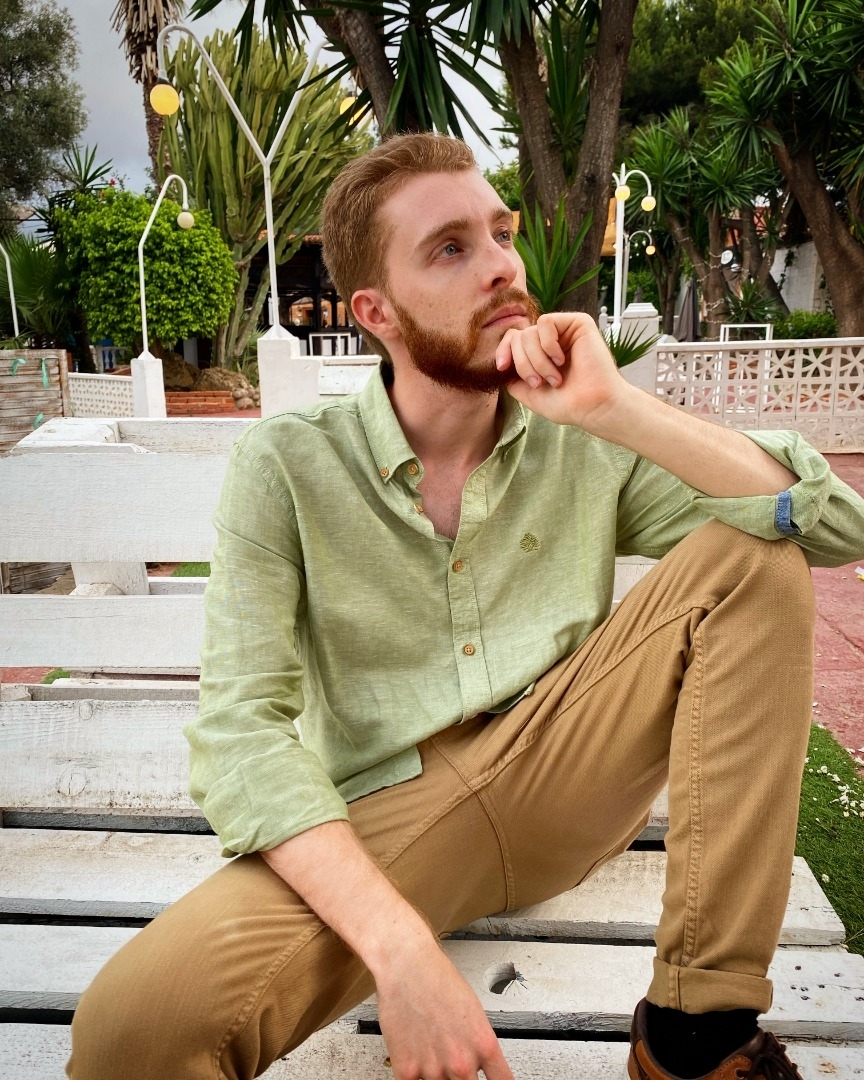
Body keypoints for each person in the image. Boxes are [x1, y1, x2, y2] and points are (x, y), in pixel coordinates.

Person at [68, 134, 864, 1080]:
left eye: (501, 233)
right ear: (376, 311)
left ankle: (696, 1036)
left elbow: (835, 528)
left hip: (570, 767)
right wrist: (398, 948)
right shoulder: (287, 465)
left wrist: (615, 410)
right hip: (391, 811)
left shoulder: (583, 441)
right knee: (132, 1034)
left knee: (754, 558)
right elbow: (242, 732)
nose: (502, 268)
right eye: (450, 248)